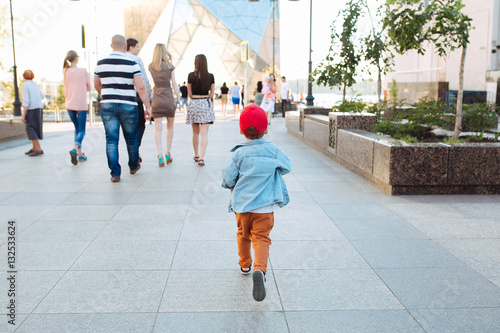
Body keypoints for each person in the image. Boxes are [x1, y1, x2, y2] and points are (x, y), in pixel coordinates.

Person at [221, 104, 291, 302]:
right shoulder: (273, 150)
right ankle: (260, 270)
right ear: (266, 129)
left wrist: (231, 184)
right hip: (265, 207)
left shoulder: (237, 154)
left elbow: (227, 177)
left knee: (243, 235)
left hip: (242, 207)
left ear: (242, 130)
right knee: (261, 238)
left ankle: (245, 265)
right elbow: (287, 166)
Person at [94, 34, 151, 183]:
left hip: (108, 105)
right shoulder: (131, 62)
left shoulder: (101, 63)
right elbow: (141, 87)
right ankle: (133, 166)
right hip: (129, 105)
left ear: (111, 45)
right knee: (131, 139)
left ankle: (115, 173)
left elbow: (96, 84)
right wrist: (148, 106)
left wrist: (105, 95)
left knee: (111, 140)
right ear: (125, 46)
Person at [148, 43, 180, 167]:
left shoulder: (151, 67)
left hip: (157, 98)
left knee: (158, 128)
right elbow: (174, 83)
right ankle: (168, 152)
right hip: (168, 98)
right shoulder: (170, 66)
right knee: (170, 127)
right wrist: (177, 97)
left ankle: (159, 155)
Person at [186, 54, 215, 166]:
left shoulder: (190, 76)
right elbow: (211, 94)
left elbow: (190, 94)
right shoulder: (210, 76)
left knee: (195, 132)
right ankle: (202, 158)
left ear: (195, 62)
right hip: (205, 104)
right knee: (204, 133)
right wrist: (206, 96)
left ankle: (196, 154)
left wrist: (195, 97)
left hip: (194, 105)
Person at [126, 38, 152, 162]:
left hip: (123, 98)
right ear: (131, 47)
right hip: (136, 97)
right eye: (137, 47)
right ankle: (134, 151)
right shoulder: (136, 59)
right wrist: (149, 100)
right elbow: (143, 82)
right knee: (140, 125)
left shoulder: (120, 59)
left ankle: (133, 153)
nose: (138, 49)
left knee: (128, 128)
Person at [63, 50, 91, 165]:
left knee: (77, 129)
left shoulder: (65, 71)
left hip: (69, 104)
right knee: (82, 130)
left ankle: (79, 155)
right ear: (76, 59)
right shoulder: (83, 71)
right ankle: (75, 148)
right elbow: (89, 87)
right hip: (80, 104)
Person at [21, 70, 45, 157]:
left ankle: (38, 148)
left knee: (30, 127)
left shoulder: (25, 85)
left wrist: (23, 114)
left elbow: (26, 101)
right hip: (39, 107)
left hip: (31, 108)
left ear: (24, 76)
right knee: (35, 126)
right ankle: (34, 148)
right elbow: (42, 96)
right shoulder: (35, 84)